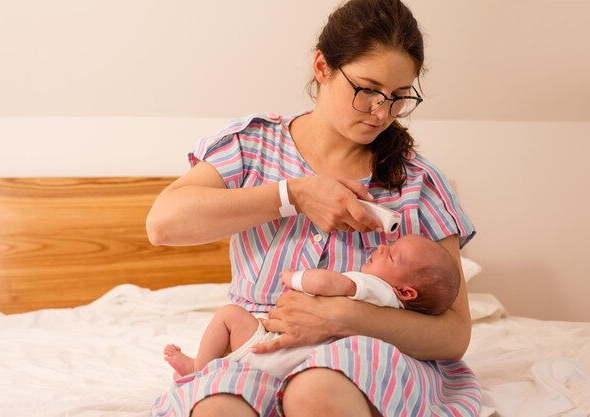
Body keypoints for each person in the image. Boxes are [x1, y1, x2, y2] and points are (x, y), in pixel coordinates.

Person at [147, 0, 481, 415]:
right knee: (218, 407)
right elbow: (163, 224)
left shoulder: (419, 182)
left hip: (366, 351)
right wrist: (292, 196)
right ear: (322, 67)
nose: (382, 113)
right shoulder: (252, 145)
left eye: (397, 97)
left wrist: (344, 316)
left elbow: (453, 334)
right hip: (257, 345)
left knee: (316, 391)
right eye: (367, 90)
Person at [163, 234, 461, 381]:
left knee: (229, 315)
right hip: (303, 367)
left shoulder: (376, 287)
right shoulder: (395, 311)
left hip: (277, 348)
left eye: (392, 256)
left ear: (406, 291)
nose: (382, 247)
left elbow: (333, 284)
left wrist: (296, 277)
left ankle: (197, 368)